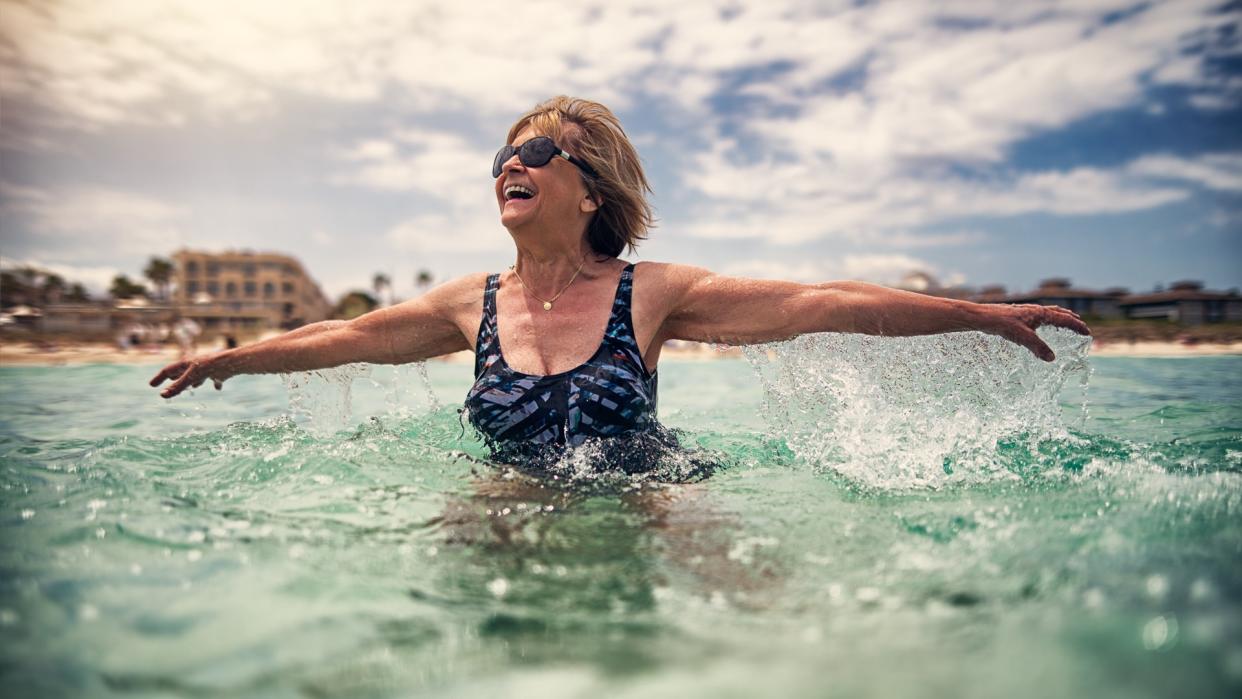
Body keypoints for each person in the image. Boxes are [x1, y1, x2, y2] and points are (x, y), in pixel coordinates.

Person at [151, 96, 1090, 470]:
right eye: (499, 156)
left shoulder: (653, 292)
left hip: (652, 493)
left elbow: (819, 302)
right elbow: (344, 338)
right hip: (510, 499)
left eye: (533, 151)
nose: (506, 166)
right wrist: (234, 359)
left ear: (588, 185)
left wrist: (974, 313)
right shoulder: (467, 303)